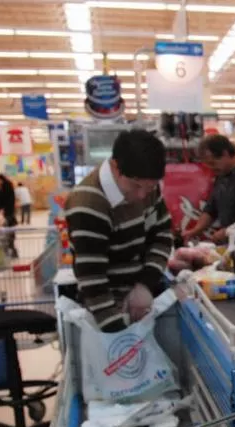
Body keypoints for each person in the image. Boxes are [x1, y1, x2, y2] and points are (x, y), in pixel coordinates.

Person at [64, 129, 174, 332]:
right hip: (105, 312)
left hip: (142, 302)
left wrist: (145, 285)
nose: (142, 195)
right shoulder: (89, 204)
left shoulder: (148, 185)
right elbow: (92, 279)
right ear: (115, 167)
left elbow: (162, 234)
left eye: (149, 188)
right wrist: (119, 334)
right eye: (135, 186)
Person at [183, 134, 235, 243]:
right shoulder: (222, 175)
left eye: (213, 163)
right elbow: (212, 207)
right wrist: (196, 230)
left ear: (225, 153)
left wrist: (228, 231)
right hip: (232, 243)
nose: (211, 168)